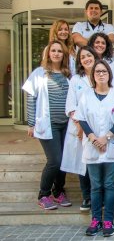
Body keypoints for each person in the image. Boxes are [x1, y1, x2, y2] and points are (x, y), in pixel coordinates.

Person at [75, 60, 114, 237]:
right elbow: (82, 119)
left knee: (109, 185)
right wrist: (94, 138)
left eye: (104, 71)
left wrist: (106, 137)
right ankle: (95, 220)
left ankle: (108, 220)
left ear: (109, 74)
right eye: (97, 72)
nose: (101, 74)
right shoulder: (86, 95)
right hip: (92, 145)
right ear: (93, 75)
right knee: (96, 186)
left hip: (111, 145)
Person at [22, 40, 72, 210]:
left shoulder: (68, 73)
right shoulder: (39, 73)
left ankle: (58, 192)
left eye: (60, 51)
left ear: (64, 55)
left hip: (67, 124)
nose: (56, 53)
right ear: (48, 53)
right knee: (55, 160)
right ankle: (44, 194)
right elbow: (31, 98)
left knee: (64, 160)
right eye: (53, 51)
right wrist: (31, 123)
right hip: (48, 124)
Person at [61, 46, 99, 212]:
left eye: (89, 55)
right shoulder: (76, 80)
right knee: (82, 164)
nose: (86, 59)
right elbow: (70, 105)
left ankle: (98, 197)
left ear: (95, 56)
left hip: (98, 127)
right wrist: (80, 126)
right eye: (83, 57)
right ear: (79, 61)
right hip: (79, 128)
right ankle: (87, 197)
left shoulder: (102, 74)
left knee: (96, 163)